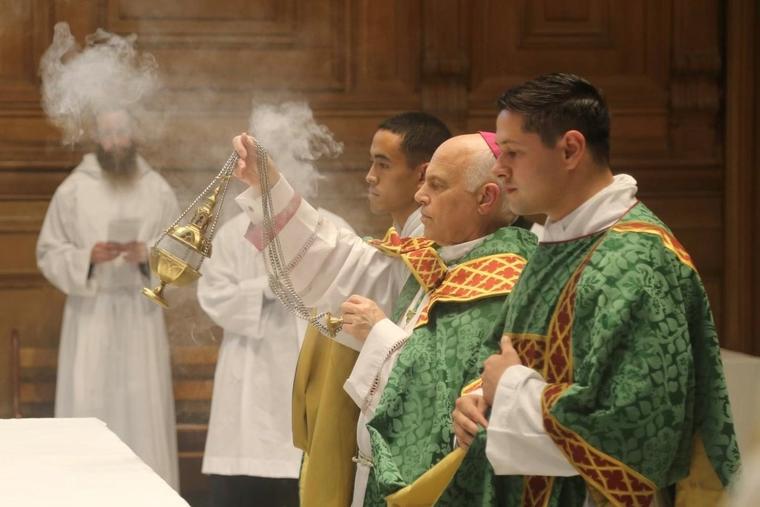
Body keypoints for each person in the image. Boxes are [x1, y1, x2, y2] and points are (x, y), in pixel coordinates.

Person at [452, 73, 741, 506]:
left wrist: (509, 388)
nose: (498, 166)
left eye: (513, 151)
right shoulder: (559, 240)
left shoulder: (635, 260)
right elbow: (505, 351)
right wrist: (476, 398)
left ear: (570, 149)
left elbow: (633, 430)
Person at [232, 130, 537, 506]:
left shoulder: (506, 282)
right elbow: (339, 264)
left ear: (486, 199)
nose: (420, 195)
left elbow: (445, 405)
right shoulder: (438, 256)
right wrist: (269, 184)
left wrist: (378, 335)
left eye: (437, 185)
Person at [291, 111, 450, 507]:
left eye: (383, 163)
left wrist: (270, 190)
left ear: (421, 175)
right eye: (371, 162)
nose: (369, 175)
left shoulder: (429, 257)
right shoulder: (399, 246)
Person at [36, 108, 180, 488]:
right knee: (89, 403)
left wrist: (148, 255)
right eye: (108, 133)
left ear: (134, 135)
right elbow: (48, 251)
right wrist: (87, 258)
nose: (115, 141)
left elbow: (183, 256)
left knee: (142, 412)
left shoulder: (157, 189)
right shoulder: (73, 190)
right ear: (96, 138)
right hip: (91, 315)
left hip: (140, 313)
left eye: (121, 132)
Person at [198, 207, 352, 507]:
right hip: (250, 377)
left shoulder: (331, 227)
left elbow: (356, 289)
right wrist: (267, 288)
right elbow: (213, 295)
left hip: (313, 369)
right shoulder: (234, 232)